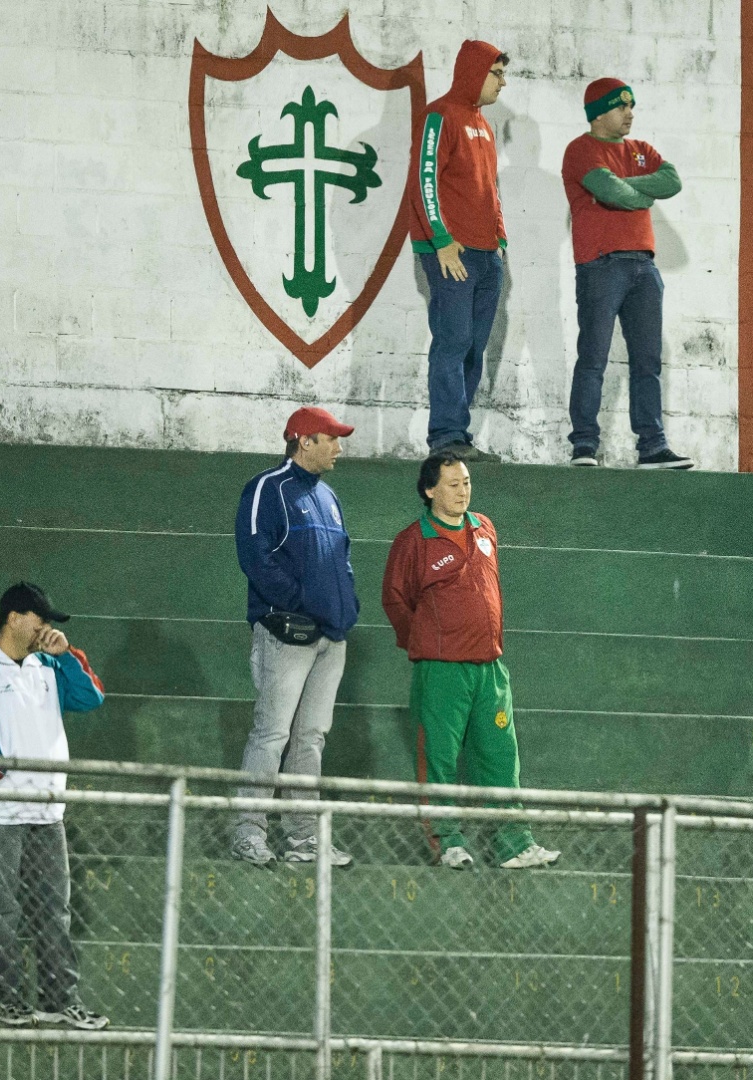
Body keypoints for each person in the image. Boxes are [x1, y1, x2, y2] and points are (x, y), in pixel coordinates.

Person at [380, 452, 558, 870]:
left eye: (466, 482)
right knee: (439, 758)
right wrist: (426, 644)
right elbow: (396, 601)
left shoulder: (484, 527)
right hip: (442, 670)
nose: (463, 491)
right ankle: (448, 843)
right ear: (429, 490)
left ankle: (514, 844)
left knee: (501, 757)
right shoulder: (413, 541)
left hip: (491, 668)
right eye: (453, 484)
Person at [0, 583, 109, 1030]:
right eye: (42, 619)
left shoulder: (49, 665)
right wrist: (3, 777)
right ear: (15, 617)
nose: (47, 627)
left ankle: (60, 1001)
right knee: (2, 911)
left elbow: (91, 697)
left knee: (54, 911)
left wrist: (67, 653)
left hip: (47, 812)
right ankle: (4, 1002)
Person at [230, 407, 361, 868]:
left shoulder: (328, 496)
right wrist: (298, 604)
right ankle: (248, 833)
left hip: (330, 637)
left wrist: (344, 613)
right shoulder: (267, 487)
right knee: (272, 734)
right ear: (304, 440)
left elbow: (342, 559)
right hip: (287, 633)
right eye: (331, 438)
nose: (339, 448)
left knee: (310, 738)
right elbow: (254, 556)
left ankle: (304, 840)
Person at [561, 78, 693, 470]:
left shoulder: (640, 150)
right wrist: (632, 191)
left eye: (632, 106)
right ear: (598, 112)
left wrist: (625, 185)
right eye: (622, 107)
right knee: (594, 358)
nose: (630, 114)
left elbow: (672, 180)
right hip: (601, 265)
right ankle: (584, 446)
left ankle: (652, 447)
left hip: (644, 267)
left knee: (647, 360)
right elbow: (611, 193)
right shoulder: (580, 150)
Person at [408, 41, 510, 462]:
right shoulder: (440, 115)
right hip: (453, 252)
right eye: (497, 73)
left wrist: (501, 241)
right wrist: (440, 240)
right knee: (453, 342)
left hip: (487, 256)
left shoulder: (483, 125)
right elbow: (423, 179)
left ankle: (459, 439)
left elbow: (489, 190)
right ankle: (445, 437)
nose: (503, 82)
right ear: (474, 71)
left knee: (472, 347)